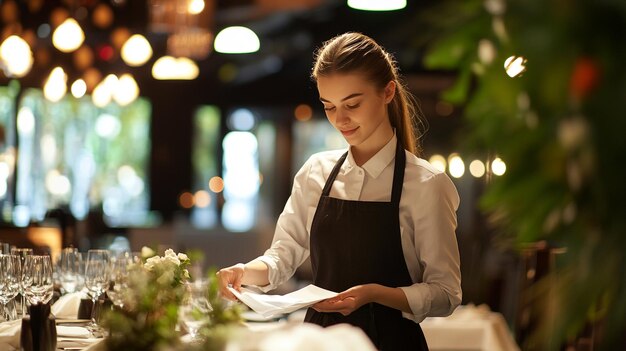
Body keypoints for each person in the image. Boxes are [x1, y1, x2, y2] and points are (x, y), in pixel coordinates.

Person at [217, 32, 461, 350]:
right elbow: (282, 257)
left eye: (352, 104)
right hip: (321, 341)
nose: (340, 120)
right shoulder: (315, 173)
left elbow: (446, 293)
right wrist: (244, 272)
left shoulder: (427, 184)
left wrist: (374, 294)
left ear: (387, 92)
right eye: (329, 106)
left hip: (390, 342)